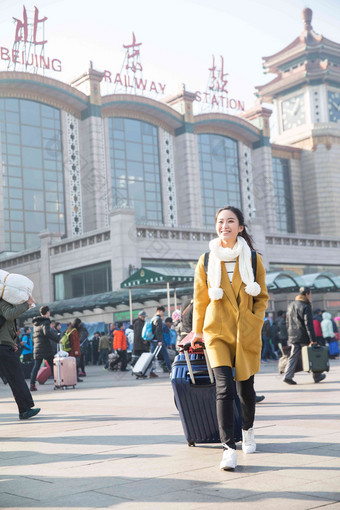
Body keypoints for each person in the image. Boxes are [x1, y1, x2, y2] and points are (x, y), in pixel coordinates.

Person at [191, 206, 268, 470]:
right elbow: (200, 300)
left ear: (240, 227)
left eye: (230, 221)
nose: (225, 226)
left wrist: (254, 320)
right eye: (220, 222)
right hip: (217, 332)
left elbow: (262, 298)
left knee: (245, 389)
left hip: (245, 331)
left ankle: (247, 430)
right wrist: (197, 331)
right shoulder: (206, 260)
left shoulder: (253, 259)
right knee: (224, 388)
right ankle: (228, 448)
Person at [0, 296, 41, 419]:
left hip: (5, 346)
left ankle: (24, 409)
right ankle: (24, 410)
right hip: (3, 348)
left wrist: (13, 343)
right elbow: (9, 315)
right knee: (16, 378)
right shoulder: (3, 301)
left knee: (15, 378)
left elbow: (6, 327)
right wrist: (26, 304)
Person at [283, 287, 326, 385]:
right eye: (310, 294)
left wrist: (289, 336)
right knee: (313, 353)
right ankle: (317, 376)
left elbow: (287, 322)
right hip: (303, 335)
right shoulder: (306, 306)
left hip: (293, 335)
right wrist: (313, 339)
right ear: (307, 294)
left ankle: (287, 376)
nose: (310, 296)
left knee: (293, 355)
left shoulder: (290, 305)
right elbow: (308, 325)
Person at [30, 306, 60, 391]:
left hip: (37, 348)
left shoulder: (36, 323)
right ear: (47, 312)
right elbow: (47, 332)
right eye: (49, 312)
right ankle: (57, 383)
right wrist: (58, 340)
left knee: (36, 366)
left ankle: (32, 385)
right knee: (53, 365)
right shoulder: (46, 321)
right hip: (45, 347)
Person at [150, 306, 172, 376]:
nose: (163, 313)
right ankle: (170, 370)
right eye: (162, 312)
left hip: (152, 340)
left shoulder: (152, 319)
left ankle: (150, 372)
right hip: (158, 341)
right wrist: (160, 341)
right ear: (159, 311)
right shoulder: (158, 319)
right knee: (166, 355)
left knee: (152, 357)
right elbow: (158, 330)